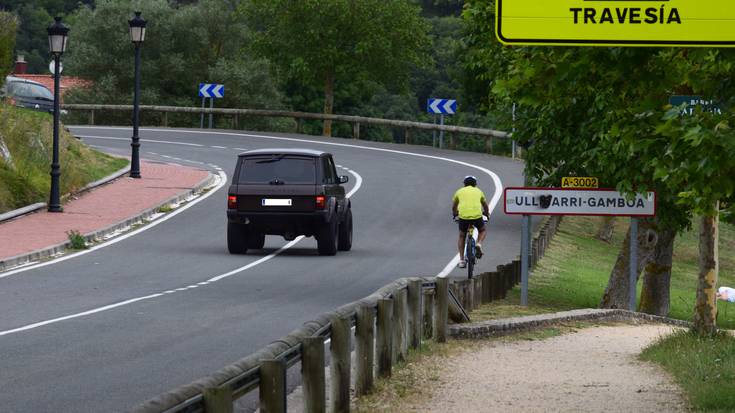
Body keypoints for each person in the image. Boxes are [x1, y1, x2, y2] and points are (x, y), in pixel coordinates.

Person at [452, 175, 489, 268]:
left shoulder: (459, 191)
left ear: (464, 184)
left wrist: (455, 214)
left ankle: (461, 260)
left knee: (462, 235)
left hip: (463, 216)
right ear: (475, 184)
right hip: (476, 216)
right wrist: (487, 214)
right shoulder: (479, 191)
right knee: (482, 230)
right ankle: (479, 244)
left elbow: (454, 207)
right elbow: (485, 206)